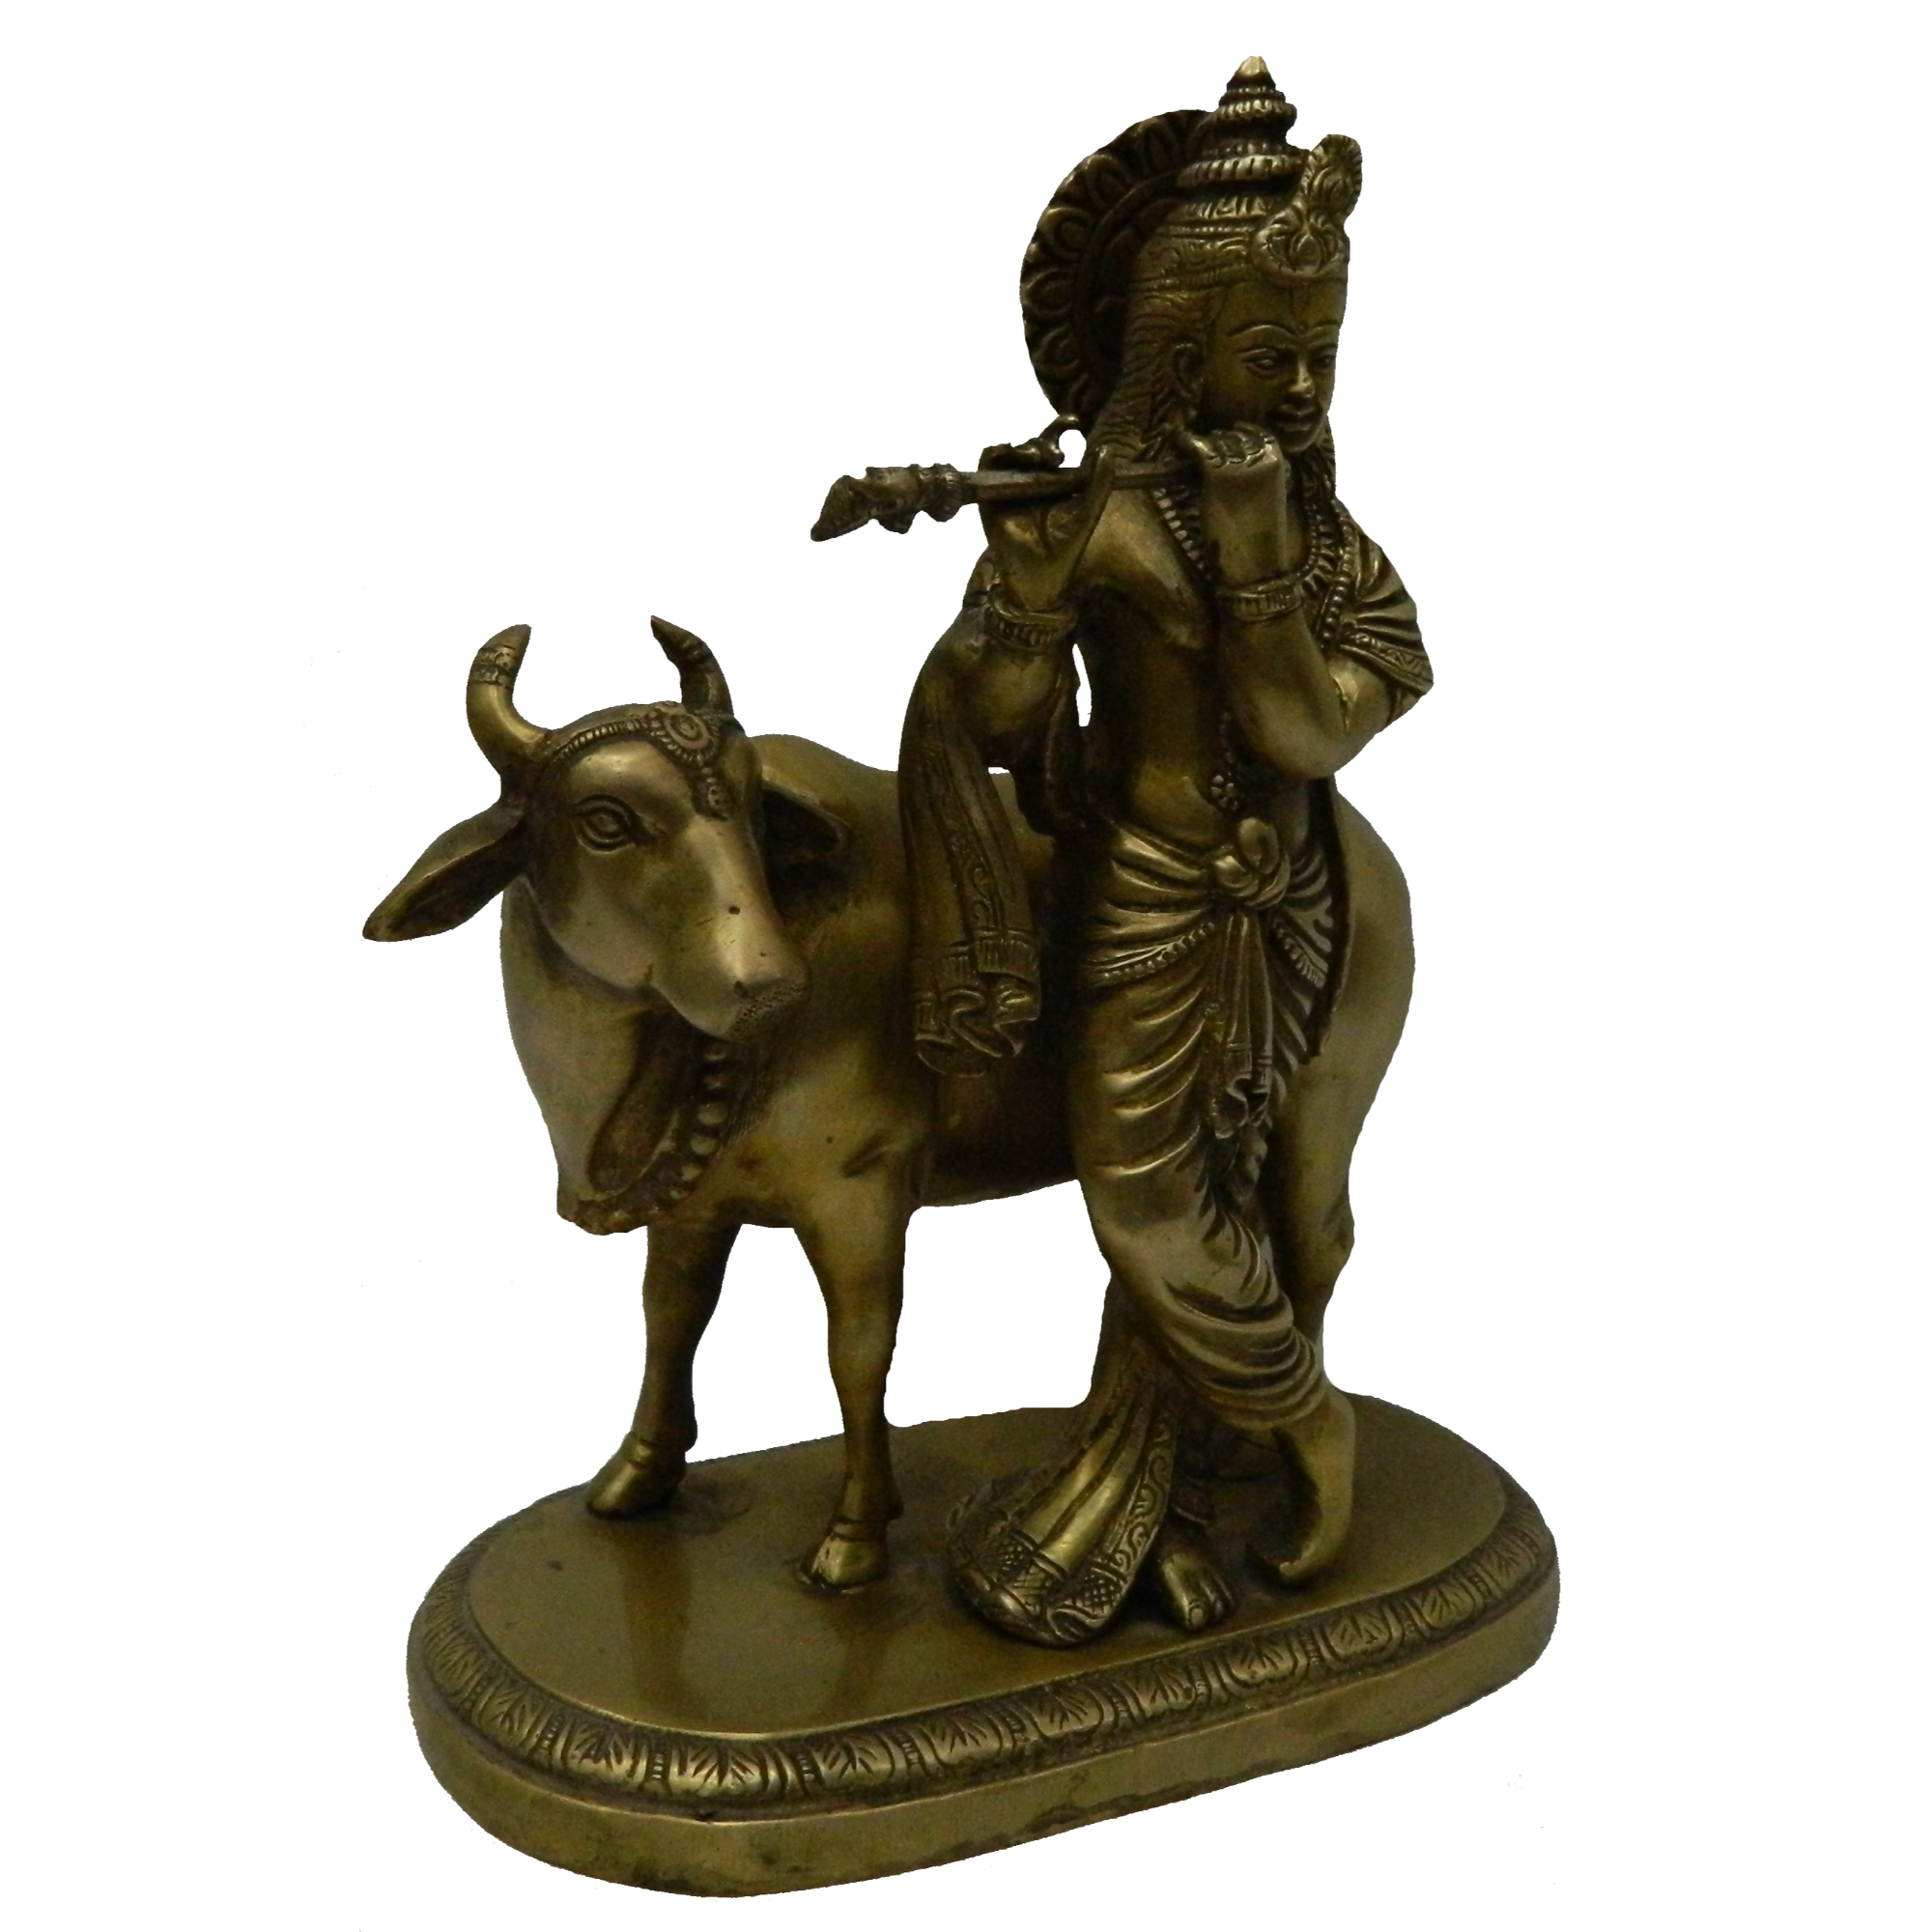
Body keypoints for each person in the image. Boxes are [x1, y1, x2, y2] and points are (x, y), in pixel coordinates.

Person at [898, 59, 1435, 1645]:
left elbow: (1308, 736)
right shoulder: (1107, 518)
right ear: (1178, 360)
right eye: (1268, 357)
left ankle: (1208, 1472)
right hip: (1140, 899)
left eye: (1321, 356)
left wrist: (1261, 559)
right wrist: (1023, 601)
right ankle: (1299, 1420)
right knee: (1146, 1207)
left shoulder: (1328, 548)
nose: (1300, 391)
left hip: (1299, 902)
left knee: (1267, 1197)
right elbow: (1002, 725)